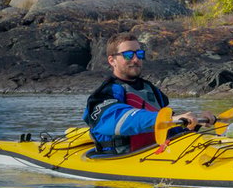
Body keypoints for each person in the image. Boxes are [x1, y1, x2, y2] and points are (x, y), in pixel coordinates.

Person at [83, 33, 214, 153]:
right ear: (112, 60)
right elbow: (117, 119)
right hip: (120, 158)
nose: (135, 59)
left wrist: (195, 124)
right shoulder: (104, 94)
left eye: (139, 54)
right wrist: (164, 119)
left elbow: (169, 130)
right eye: (128, 55)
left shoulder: (152, 90)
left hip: (153, 153)